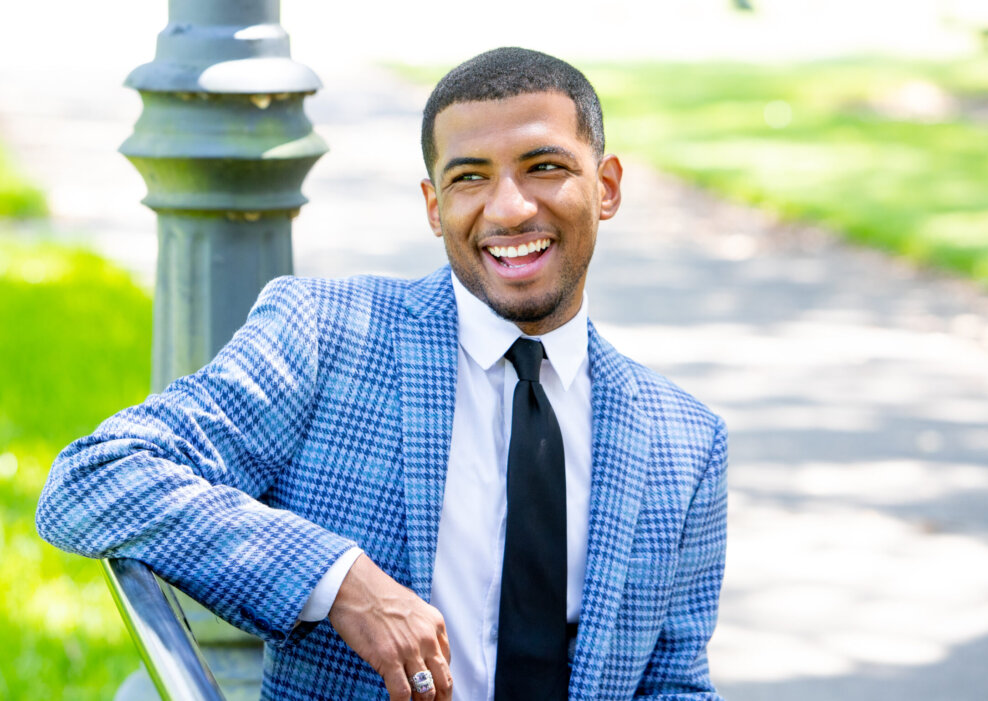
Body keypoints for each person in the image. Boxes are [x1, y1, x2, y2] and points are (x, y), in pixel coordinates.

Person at [36, 47, 728, 701]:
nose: (510, 207)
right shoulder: (326, 333)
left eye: (544, 166)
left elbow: (674, 681)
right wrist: (337, 578)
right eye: (470, 176)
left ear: (605, 187)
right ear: (434, 206)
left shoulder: (686, 441)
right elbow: (96, 476)